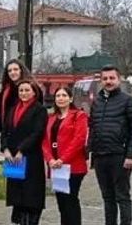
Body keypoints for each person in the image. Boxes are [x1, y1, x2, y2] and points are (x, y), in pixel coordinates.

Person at [88, 66, 132, 225]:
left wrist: (131, 156)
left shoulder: (129, 101)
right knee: (107, 197)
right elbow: (93, 128)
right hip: (100, 156)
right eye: (105, 79)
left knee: (122, 196)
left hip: (120, 156)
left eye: (112, 78)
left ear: (119, 79)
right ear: (101, 81)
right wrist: (91, 154)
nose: (108, 81)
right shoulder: (97, 102)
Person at [1, 80, 46, 225]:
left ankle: (30, 221)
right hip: (12, 157)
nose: (24, 93)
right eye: (21, 90)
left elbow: (37, 133)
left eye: (27, 90)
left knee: (30, 193)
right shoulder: (12, 109)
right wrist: (5, 149)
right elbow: (5, 131)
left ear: (34, 92)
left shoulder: (39, 110)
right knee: (16, 192)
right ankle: (19, 220)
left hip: (30, 156)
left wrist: (22, 150)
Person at [44, 86, 89, 225]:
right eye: (58, 96)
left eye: (64, 95)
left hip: (73, 166)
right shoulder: (51, 118)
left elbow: (79, 140)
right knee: (61, 201)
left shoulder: (78, 116)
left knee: (70, 200)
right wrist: (50, 159)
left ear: (70, 98)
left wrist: (62, 159)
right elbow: (44, 141)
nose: (61, 98)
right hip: (56, 167)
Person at [0, 59, 34, 134]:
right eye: (9, 71)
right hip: (7, 133)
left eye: (15, 69)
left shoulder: (32, 88)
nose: (12, 72)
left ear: (21, 70)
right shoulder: (5, 90)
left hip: (25, 133)